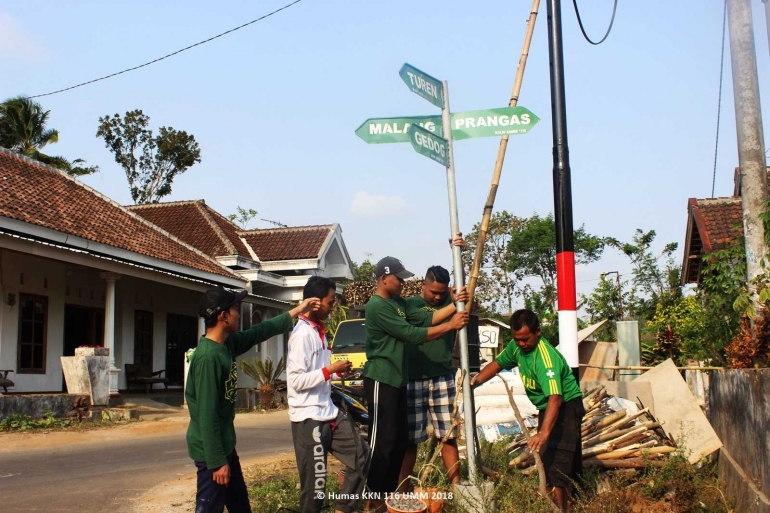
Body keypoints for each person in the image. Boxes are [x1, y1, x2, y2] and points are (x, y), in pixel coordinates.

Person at [186, 285, 320, 513]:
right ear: (223, 316)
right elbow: (206, 416)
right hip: (212, 454)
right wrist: (218, 462)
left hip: (225, 446)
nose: (239, 314)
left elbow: (261, 330)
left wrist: (299, 309)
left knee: (240, 506)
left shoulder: (226, 344)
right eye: (236, 308)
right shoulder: (208, 358)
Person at [363, 256, 469, 509]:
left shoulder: (398, 303)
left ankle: (391, 497)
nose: (402, 282)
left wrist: (455, 306)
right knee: (382, 442)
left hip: (398, 379)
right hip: (381, 378)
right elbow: (412, 334)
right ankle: (374, 499)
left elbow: (425, 320)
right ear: (384, 278)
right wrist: (451, 325)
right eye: (399, 278)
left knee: (398, 441)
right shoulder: (377, 306)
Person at [471, 309, 584, 512]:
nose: (522, 344)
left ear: (537, 332)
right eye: (517, 339)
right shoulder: (516, 348)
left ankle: (562, 509)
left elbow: (555, 398)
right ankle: (564, 504)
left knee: (559, 462)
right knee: (553, 460)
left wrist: (543, 433)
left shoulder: (545, 358)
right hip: (547, 407)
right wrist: (476, 380)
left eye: (525, 339)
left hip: (565, 406)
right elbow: (497, 364)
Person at [287, 276, 370, 513]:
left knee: (362, 456)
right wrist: (329, 370)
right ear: (314, 302)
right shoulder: (302, 335)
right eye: (330, 302)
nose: (333, 307)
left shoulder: (319, 332)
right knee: (315, 486)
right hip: (308, 417)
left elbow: (319, 374)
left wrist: (337, 374)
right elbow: (295, 381)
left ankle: (343, 509)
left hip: (329, 412)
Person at [399, 265, 462, 489]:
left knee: (449, 435)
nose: (437, 297)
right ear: (423, 285)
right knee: (410, 440)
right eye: (433, 292)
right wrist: (452, 306)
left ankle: (457, 487)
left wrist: (457, 249)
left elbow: (467, 301)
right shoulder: (409, 306)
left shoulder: (451, 301)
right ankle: (401, 488)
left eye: (441, 293)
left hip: (443, 376)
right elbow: (428, 321)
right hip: (413, 378)